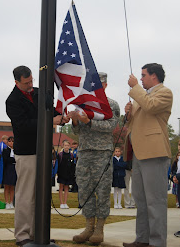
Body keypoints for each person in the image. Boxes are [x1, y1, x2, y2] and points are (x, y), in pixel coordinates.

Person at [6, 65, 69, 246]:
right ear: (17, 82)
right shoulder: (12, 100)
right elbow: (23, 125)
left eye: (32, 80)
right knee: (26, 195)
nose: (31, 85)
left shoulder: (38, 92)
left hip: (43, 150)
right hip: (26, 153)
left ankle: (38, 232)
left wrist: (61, 115)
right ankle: (23, 235)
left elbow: (51, 109)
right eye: (27, 83)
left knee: (41, 194)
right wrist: (50, 120)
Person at [123, 63, 173, 247]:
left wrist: (135, 87)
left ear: (154, 76)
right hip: (139, 152)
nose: (140, 78)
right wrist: (128, 116)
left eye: (143, 75)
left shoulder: (164, 93)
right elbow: (136, 124)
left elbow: (151, 107)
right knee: (141, 200)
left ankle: (157, 242)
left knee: (155, 200)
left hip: (155, 151)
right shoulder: (141, 96)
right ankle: (142, 239)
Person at [69, 72, 120, 245]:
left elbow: (111, 126)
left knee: (102, 191)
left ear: (105, 85)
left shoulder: (111, 105)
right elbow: (76, 132)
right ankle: (88, 226)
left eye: (97, 84)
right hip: (84, 151)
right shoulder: (83, 104)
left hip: (102, 152)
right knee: (84, 189)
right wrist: (75, 120)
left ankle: (99, 228)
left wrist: (89, 121)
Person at [171, 138, 180, 238]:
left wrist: (178, 177)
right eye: (179, 144)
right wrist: (173, 178)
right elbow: (174, 170)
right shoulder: (179, 158)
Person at [57, 140, 75, 209]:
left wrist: (72, 174)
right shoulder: (60, 155)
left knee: (66, 188)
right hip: (61, 174)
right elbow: (58, 164)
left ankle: (65, 203)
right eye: (65, 145)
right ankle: (61, 203)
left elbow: (72, 165)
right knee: (61, 188)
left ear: (69, 146)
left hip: (68, 174)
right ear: (63, 146)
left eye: (68, 145)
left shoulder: (71, 155)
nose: (66, 147)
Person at [2, 136, 17, 209]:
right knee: (7, 186)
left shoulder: (17, 150)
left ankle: (11, 202)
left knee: (12, 187)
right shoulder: (5, 150)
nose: (11, 143)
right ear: (7, 142)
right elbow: (6, 159)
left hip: (15, 169)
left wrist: (13, 160)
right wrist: (13, 159)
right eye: (10, 141)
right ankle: (7, 202)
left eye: (13, 141)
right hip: (8, 169)